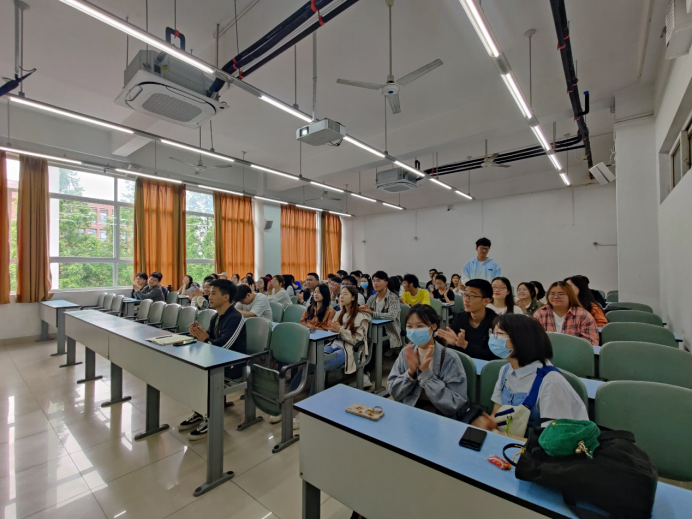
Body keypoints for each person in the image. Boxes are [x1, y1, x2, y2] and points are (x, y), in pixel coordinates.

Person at [472, 314, 588, 439]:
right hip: (512, 440)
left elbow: (552, 441)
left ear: (521, 340)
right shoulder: (505, 370)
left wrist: (498, 435)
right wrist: (490, 424)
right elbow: (496, 415)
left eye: (499, 334)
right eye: (493, 333)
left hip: (541, 446)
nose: (493, 339)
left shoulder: (551, 383)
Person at [291, 286, 371, 430]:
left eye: (345, 294)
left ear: (353, 298)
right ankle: (288, 395)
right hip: (334, 344)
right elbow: (331, 333)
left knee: (320, 364)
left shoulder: (362, 317)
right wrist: (332, 330)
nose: (341, 297)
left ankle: (310, 409)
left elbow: (357, 340)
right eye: (341, 294)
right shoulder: (339, 313)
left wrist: (340, 330)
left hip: (349, 350)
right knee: (309, 361)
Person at [180, 279, 247, 440]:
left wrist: (205, 339)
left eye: (213, 293)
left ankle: (211, 419)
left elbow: (224, 347)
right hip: (217, 360)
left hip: (233, 365)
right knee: (193, 370)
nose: (209, 296)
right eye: (209, 293)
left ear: (226, 297)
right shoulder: (215, 317)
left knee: (204, 376)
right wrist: (199, 333)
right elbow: (211, 338)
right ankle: (199, 412)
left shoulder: (235, 318)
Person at [388, 304, 468, 419]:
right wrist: (410, 373)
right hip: (410, 409)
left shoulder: (450, 358)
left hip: (439, 416)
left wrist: (426, 374)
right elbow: (393, 392)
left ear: (433, 326)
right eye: (409, 326)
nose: (414, 331)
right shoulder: (406, 353)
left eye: (420, 326)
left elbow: (454, 403)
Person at [437, 279, 499, 360]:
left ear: (485, 301)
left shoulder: (497, 323)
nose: (466, 300)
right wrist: (453, 343)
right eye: (465, 294)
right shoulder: (460, 317)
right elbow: (454, 350)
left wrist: (465, 345)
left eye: (472, 296)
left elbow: (493, 356)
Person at [533, 281, 599, 346]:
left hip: (575, 352)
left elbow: (591, 343)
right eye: (552, 294)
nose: (555, 297)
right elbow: (534, 339)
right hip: (547, 352)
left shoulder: (583, 315)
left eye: (561, 294)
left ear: (570, 296)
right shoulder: (540, 314)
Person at [361, 271, 402, 353]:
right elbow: (367, 312)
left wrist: (372, 313)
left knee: (371, 339)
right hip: (373, 328)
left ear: (386, 283)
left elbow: (392, 316)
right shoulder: (372, 298)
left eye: (378, 281)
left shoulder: (393, 298)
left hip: (389, 329)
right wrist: (362, 310)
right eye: (373, 281)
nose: (375, 283)